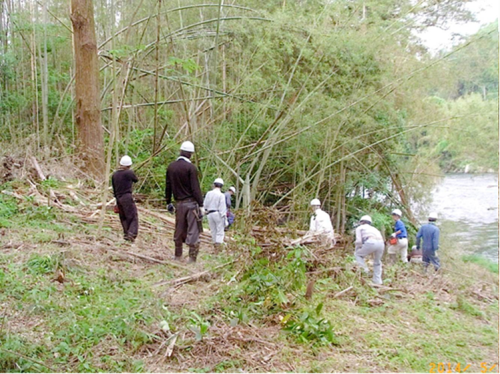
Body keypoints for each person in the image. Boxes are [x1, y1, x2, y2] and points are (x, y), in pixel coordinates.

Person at [165, 141, 204, 263]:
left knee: (179, 228)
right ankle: (192, 258)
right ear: (190, 154)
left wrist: (168, 201)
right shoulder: (191, 168)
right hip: (191, 204)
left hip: (179, 204)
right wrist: (201, 204)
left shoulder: (171, 167)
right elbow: (195, 188)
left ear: (180, 151)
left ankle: (178, 255)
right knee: (193, 229)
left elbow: (168, 186)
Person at [111, 155, 139, 242]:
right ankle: (131, 234)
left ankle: (126, 235)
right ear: (129, 165)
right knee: (133, 216)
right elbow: (136, 179)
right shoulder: (129, 173)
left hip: (118, 198)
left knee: (123, 217)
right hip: (127, 197)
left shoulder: (114, 175)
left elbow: (114, 189)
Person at [354, 215, 384, 285]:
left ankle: (365, 271)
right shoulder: (375, 229)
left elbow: (359, 241)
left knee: (358, 255)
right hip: (381, 244)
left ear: (361, 222)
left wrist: (357, 249)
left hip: (371, 241)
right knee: (377, 262)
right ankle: (377, 281)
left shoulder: (359, 228)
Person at [204, 178, 227, 252]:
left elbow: (205, 204)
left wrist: (205, 211)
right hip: (218, 213)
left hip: (209, 214)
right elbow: (222, 207)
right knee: (220, 231)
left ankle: (215, 245)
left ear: (214, 185)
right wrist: (224, 216)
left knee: (213, 230)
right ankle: (218, 247)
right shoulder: (221, 195)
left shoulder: (209, 193)